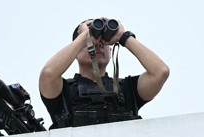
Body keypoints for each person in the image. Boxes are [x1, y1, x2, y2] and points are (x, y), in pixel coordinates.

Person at [39, 18, 170, 128]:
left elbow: (160, 72)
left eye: (103, 42)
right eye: (91, 41)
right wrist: (83, 37)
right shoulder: (63, 91)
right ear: (75, 51)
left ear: (111, 51)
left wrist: (123, 36)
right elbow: (48, 74)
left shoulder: (127, 90)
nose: (98, 45)